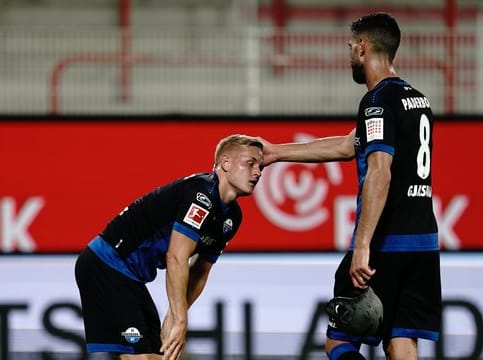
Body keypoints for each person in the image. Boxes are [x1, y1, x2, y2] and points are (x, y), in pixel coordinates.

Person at [260, 12, 441, 360]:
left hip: (385, 246)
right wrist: (277, 152)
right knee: (401, 343)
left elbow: (380, 171)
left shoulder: (377, 101)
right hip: (423, 246)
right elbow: (349, 145)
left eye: (349, 47)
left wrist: (362, 247)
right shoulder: (417, 100)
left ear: (362, 48)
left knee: (339, 342)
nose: (348, 56)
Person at [75, 134, 264, 360]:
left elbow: (199, 271)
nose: (258, 172)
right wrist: (181, 320)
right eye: (250, 163)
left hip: (129, 277)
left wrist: (175, 315)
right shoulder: (202, 195)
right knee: (141, 358)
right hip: (105, 265)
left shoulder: (231, 217)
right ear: (225, 163)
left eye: (261, 166)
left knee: (161, 356)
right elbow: (175, 257)